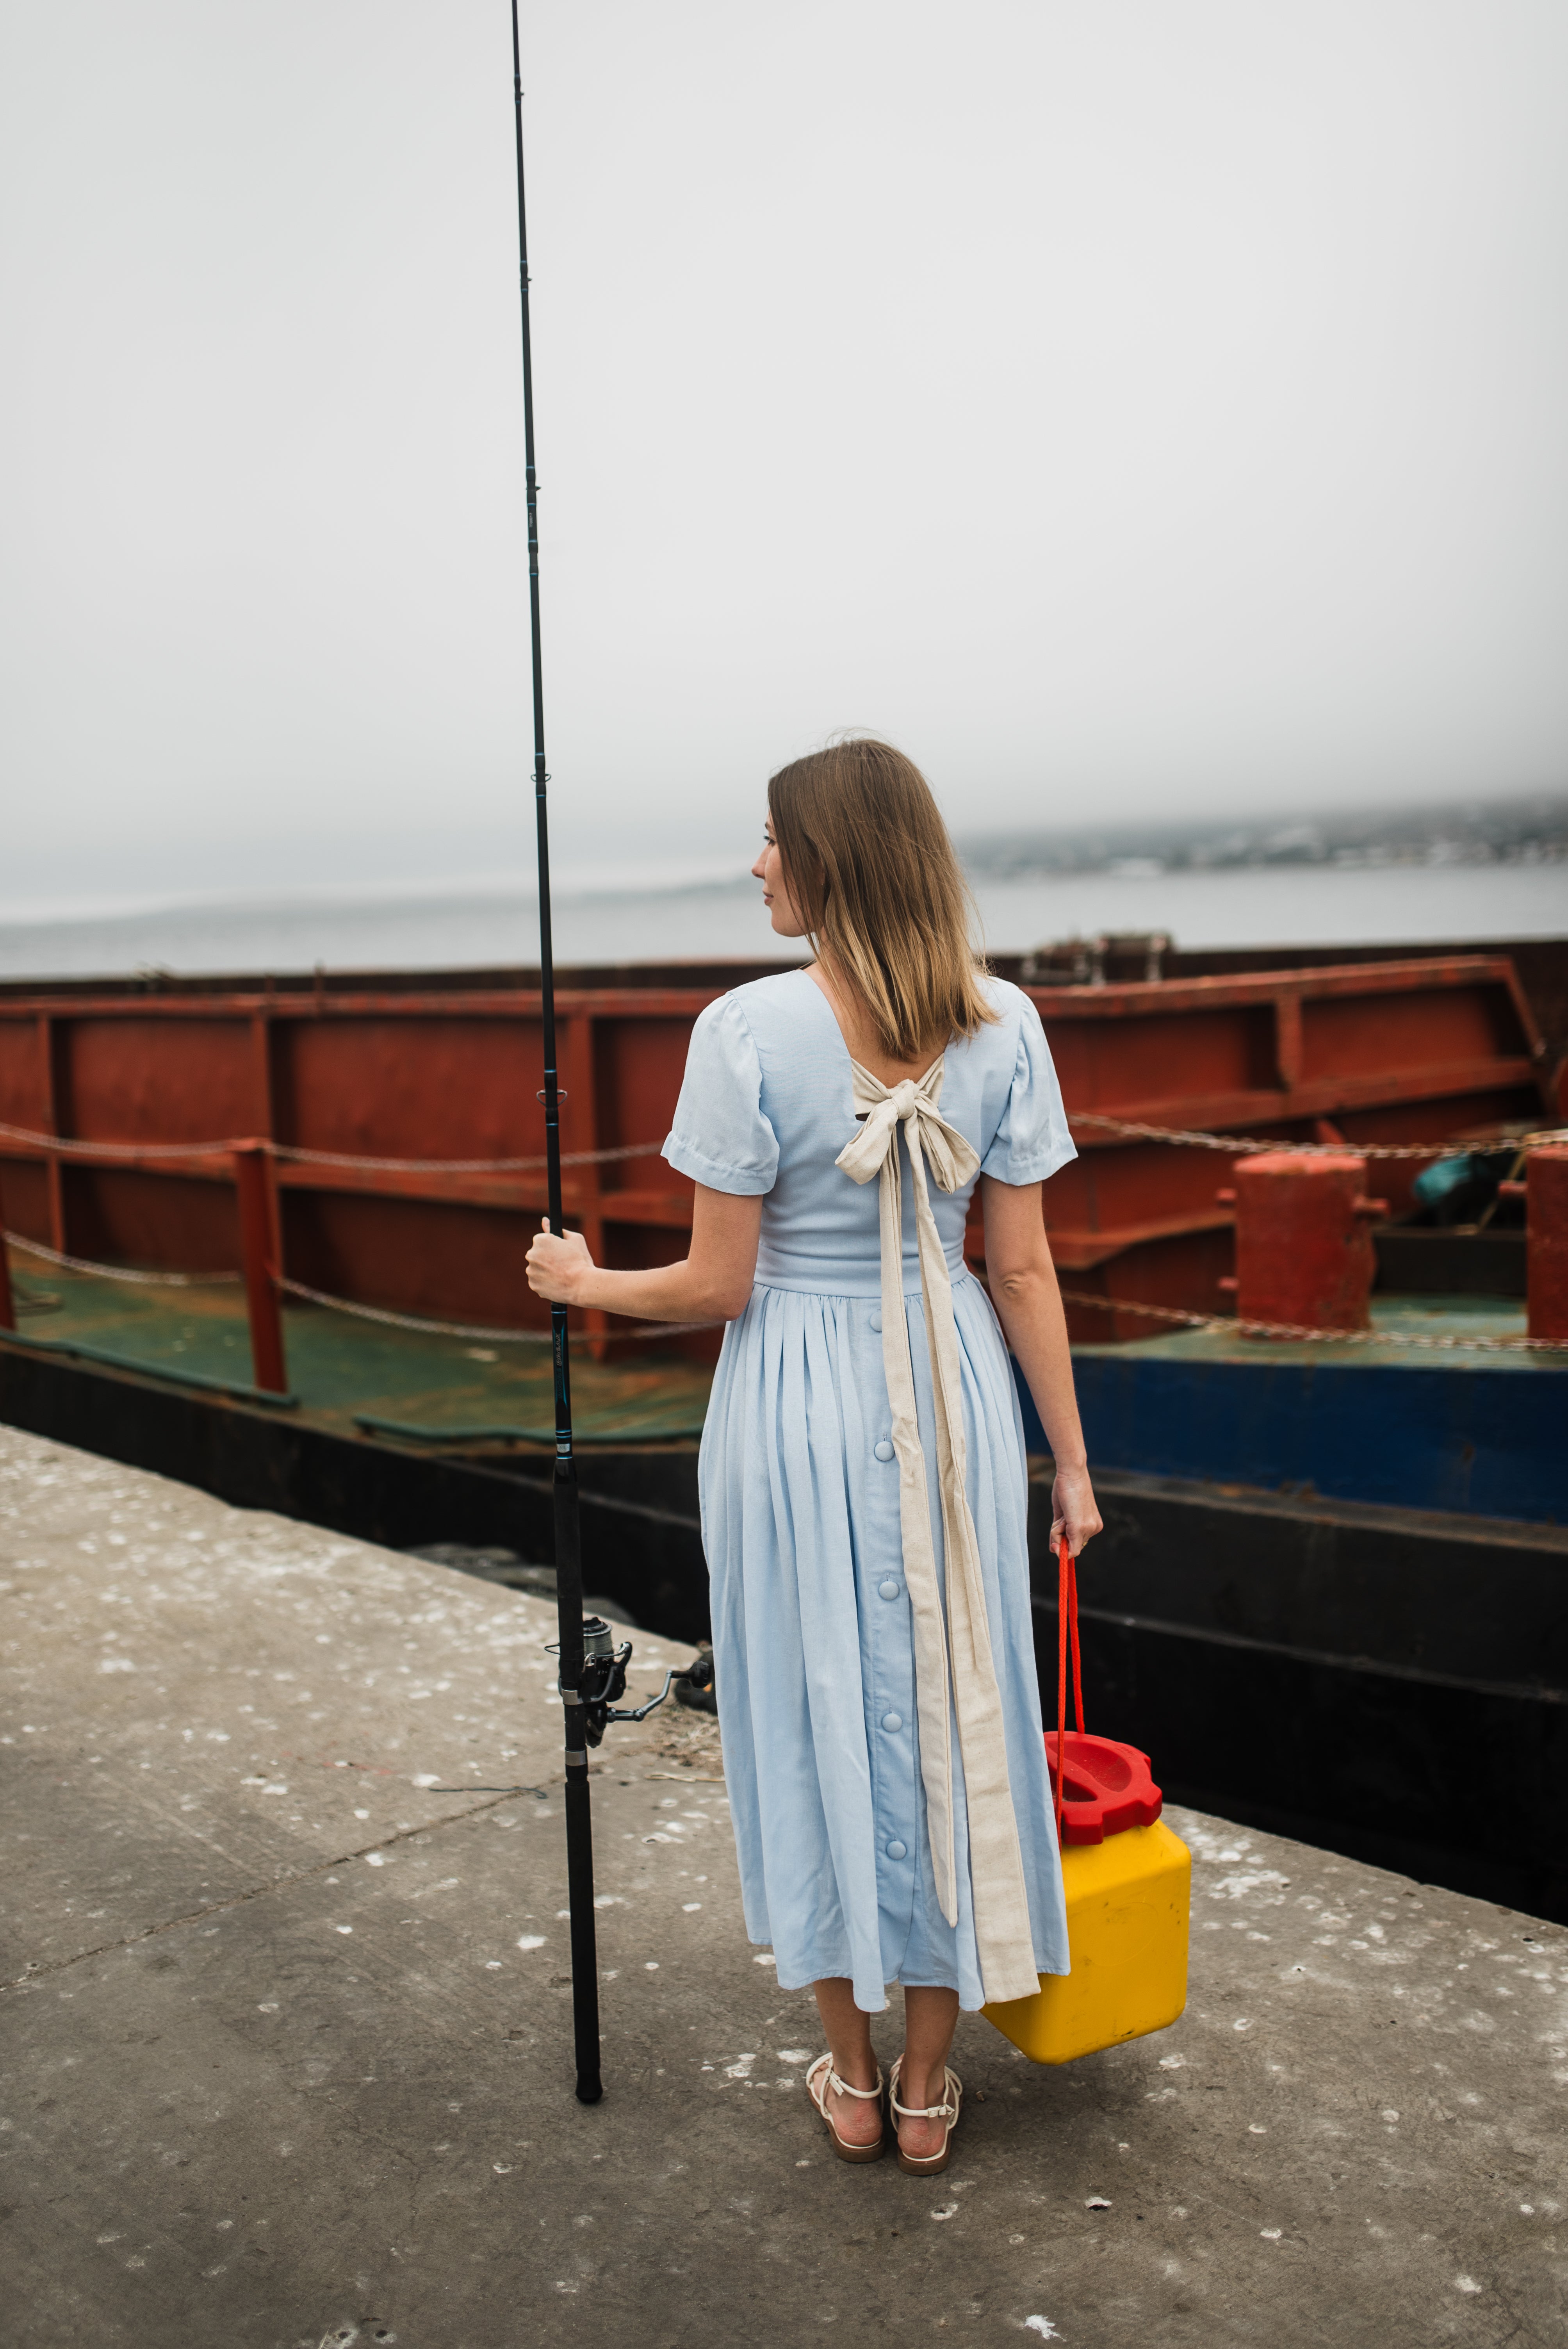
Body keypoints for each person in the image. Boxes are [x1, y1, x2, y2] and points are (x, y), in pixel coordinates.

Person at [527, 738, 1101, 2174]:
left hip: (793, 1398)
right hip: (957, 1388)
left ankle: (846, 2082)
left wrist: (583, 1283)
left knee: (810, 1708)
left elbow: (721, 1289)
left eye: (773, 838)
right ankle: (925, 2088)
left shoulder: (744, 1031)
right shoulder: (1007, 1022)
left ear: (829, 856)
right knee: (954, 1701)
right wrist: (1072, 1470)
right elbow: (1023, 1274)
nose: (759, 860)